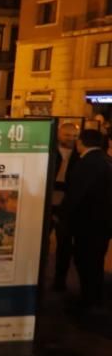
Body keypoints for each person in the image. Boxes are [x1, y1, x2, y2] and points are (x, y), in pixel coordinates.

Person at [60, 129, 112, 313]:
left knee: (85, 261)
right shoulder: (106, 161)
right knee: (96, 261)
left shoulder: (87, 163)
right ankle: (95, 297)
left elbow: (76, 195)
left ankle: (88, 299)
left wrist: (65, 217)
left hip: (87, 224)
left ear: (81, 142)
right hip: (103, 224)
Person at [50, 122, 80, 292]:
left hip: (66, 204)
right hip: (49, 199)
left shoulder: (80, 154)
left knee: (64, 245)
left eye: (75, 136)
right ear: (60, 134)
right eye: (68, 135)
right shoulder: (51, 150)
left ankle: (59, 281)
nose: (71, 139)